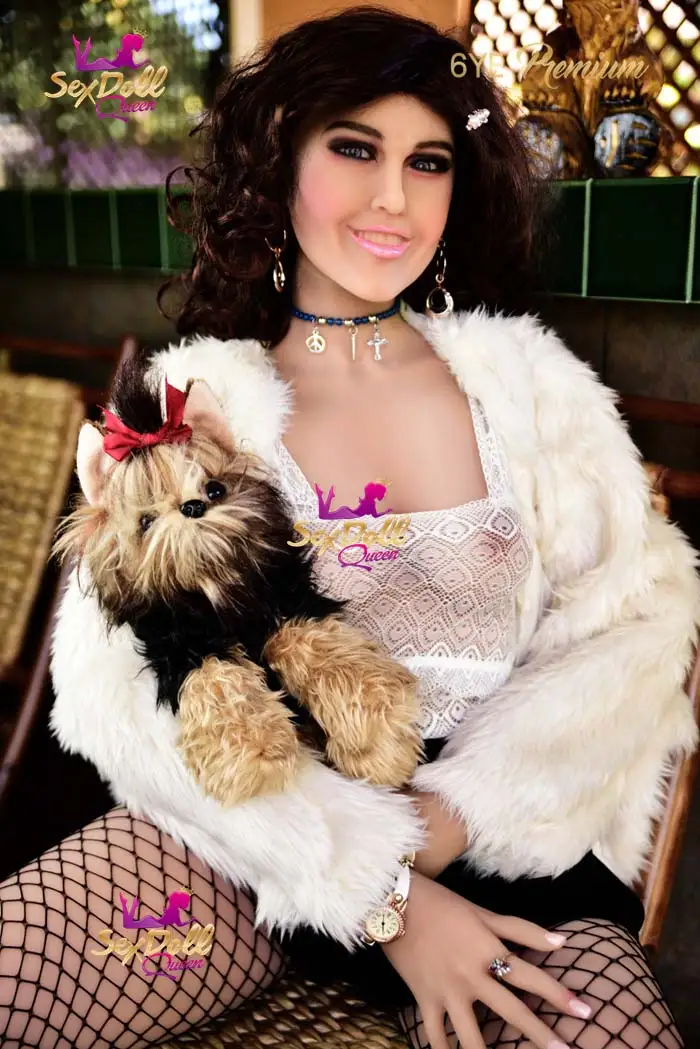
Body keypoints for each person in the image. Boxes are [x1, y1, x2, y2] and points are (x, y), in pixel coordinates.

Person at [2, 7, 699, 1049]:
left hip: (500, 845)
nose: (394, 199)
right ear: (277, 162)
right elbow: (119, 690)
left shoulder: (532, 387)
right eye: (355, 149)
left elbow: (638, 630)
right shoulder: (195, 402)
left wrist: (447, 823)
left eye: (428, 161)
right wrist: (382, 892)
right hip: (250, 843)